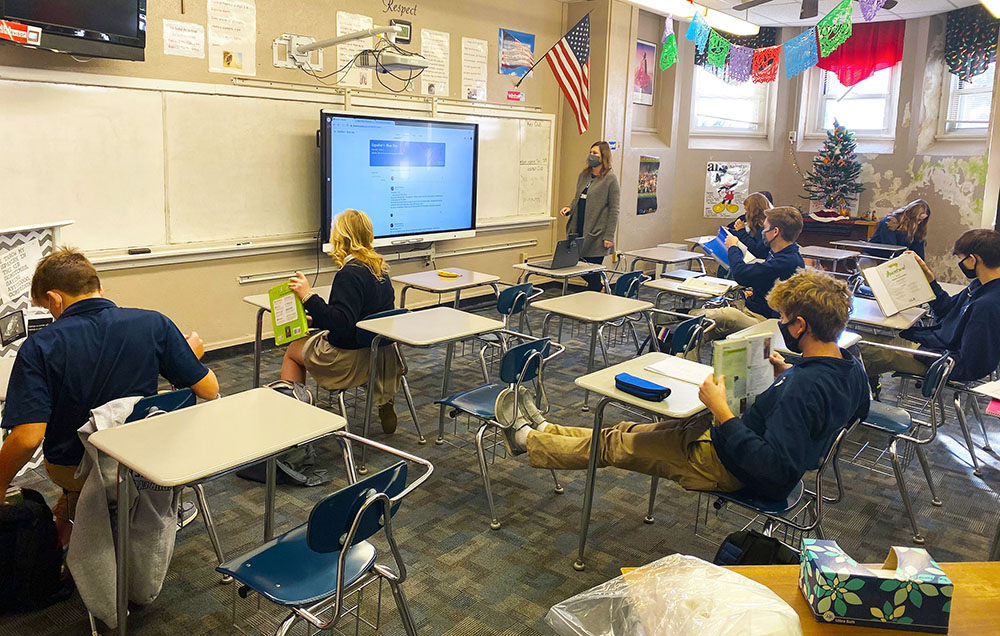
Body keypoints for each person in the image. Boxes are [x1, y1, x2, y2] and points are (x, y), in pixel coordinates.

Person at [498, 269, 869, 501]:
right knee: (622, 429)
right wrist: (785, 372)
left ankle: (525, 440)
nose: (782, 324)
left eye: (784, 319)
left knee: (614, 442)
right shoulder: (848, 368)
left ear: (801, 325)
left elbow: (773, 467)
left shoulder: (802, 387)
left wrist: (722, 411)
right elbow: (843, 409)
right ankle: (546, 430)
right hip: (729, 445)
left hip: (726, 466)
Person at [0, 248, 219, 539]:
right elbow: (209, 389)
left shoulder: (40, 347)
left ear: (55, 299)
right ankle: (79, 522)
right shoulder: (154, 323)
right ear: (99, 288)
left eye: (46, 308)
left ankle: (69, 529)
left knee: (82, 469)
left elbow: (28, 437)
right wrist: (189, 356)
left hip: (74, 466)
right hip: (144, 460)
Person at [281, 209, 403, 433]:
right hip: (380, 357)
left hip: (348, 359)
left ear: (341, 238)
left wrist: (308, 297)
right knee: (317, 331)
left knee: (292, 352)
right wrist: (316, 316)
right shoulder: (380, 270)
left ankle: (292, 414)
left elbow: (341, 323)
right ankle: (384, 399)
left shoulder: (349, 274)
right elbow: (362, 314)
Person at [860, 229, 1000, 384]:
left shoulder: (987, 305)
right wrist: (930, 281)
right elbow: (947, 311)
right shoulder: (981, 285)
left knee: (859, 344)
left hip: (941, 363)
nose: (960, 264)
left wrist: (921, 351)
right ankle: (863, 391)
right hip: (933, 347)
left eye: (961, 259)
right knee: (862, 363)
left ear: (973, 260)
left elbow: (969, 364)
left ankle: (857, 392)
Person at [703, 206, 805, 340]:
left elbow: (741, 275)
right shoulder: (780, 254)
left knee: (714, 316)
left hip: (764, 319)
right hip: (752, 309)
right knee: (701, 332)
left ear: (775, 232)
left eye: (765, 227)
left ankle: (686, 315)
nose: (762, 232)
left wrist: (733, 247)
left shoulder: (786, 261)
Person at [559, 141, 620, 292]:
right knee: (576, 264)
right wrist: (569, 208)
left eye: (595, 153)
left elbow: (614, 209)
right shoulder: (584, 175)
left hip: (597, 233)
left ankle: (597, 295)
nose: (591, 155)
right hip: (578, 228)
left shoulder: (610, 179)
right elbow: (577, 197)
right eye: (591, 152)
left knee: (591, 269)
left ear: (603, 156)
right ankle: (599, 289)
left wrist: (609, 236)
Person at [726, 192, 772, 259]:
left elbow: (755, 249)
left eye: (748, 211)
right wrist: (729, 231)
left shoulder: (766, 227)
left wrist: (741, 231)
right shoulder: (753, 221)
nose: (746, 213)